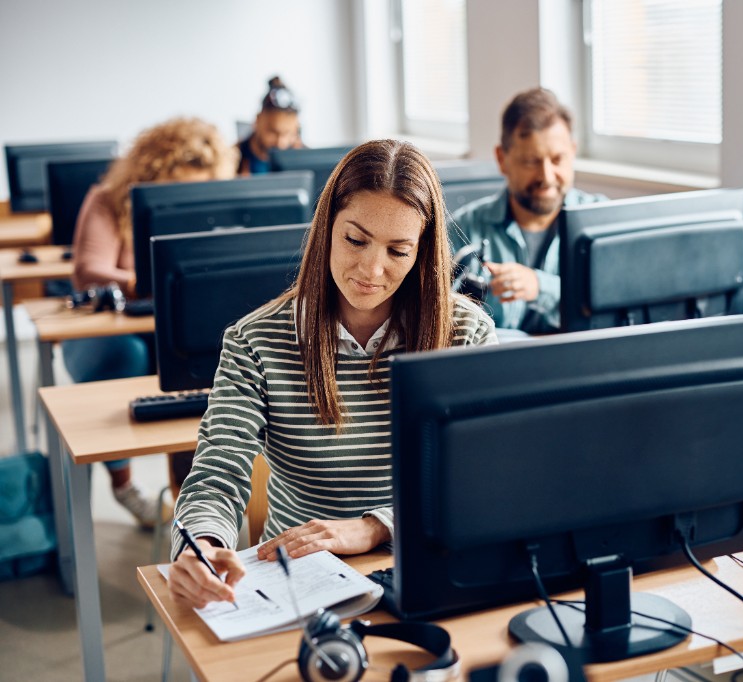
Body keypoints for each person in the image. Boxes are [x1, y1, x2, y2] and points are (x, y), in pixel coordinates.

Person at [168, 139, 497, 608]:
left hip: (421, 566)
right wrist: (201, 545)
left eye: (398, 251)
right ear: (327, 229)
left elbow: (480, 480)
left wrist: (374, 527)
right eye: (355, 240)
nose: (371, 268)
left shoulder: (466, 334)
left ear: (422, 253)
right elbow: (217, 477)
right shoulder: (253, 342)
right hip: (297, 577)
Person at [67, 117, 237, 528]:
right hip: (110, 331)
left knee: (207, 363)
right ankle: (124, 484)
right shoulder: (108, 199)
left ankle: (195, 503)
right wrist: (159, 278)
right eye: (176, 186)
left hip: (178, 328)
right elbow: (90, 268)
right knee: (130, 354)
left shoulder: (210, 201)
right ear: (152, 173)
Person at [448, 87, 605, 335]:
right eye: (531, 161)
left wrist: (541, 287)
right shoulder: (461, 230)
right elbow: (440, 322)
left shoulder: (604, 221)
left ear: (572, 153)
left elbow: (617, 305)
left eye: (557, 160)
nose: (546, 176)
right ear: (502, 159)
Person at [236, 76, 303, 175]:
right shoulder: (233, 158)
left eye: (288, 133)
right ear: (257, 120)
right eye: (272, 132)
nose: (281, 143)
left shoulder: (305, 158)